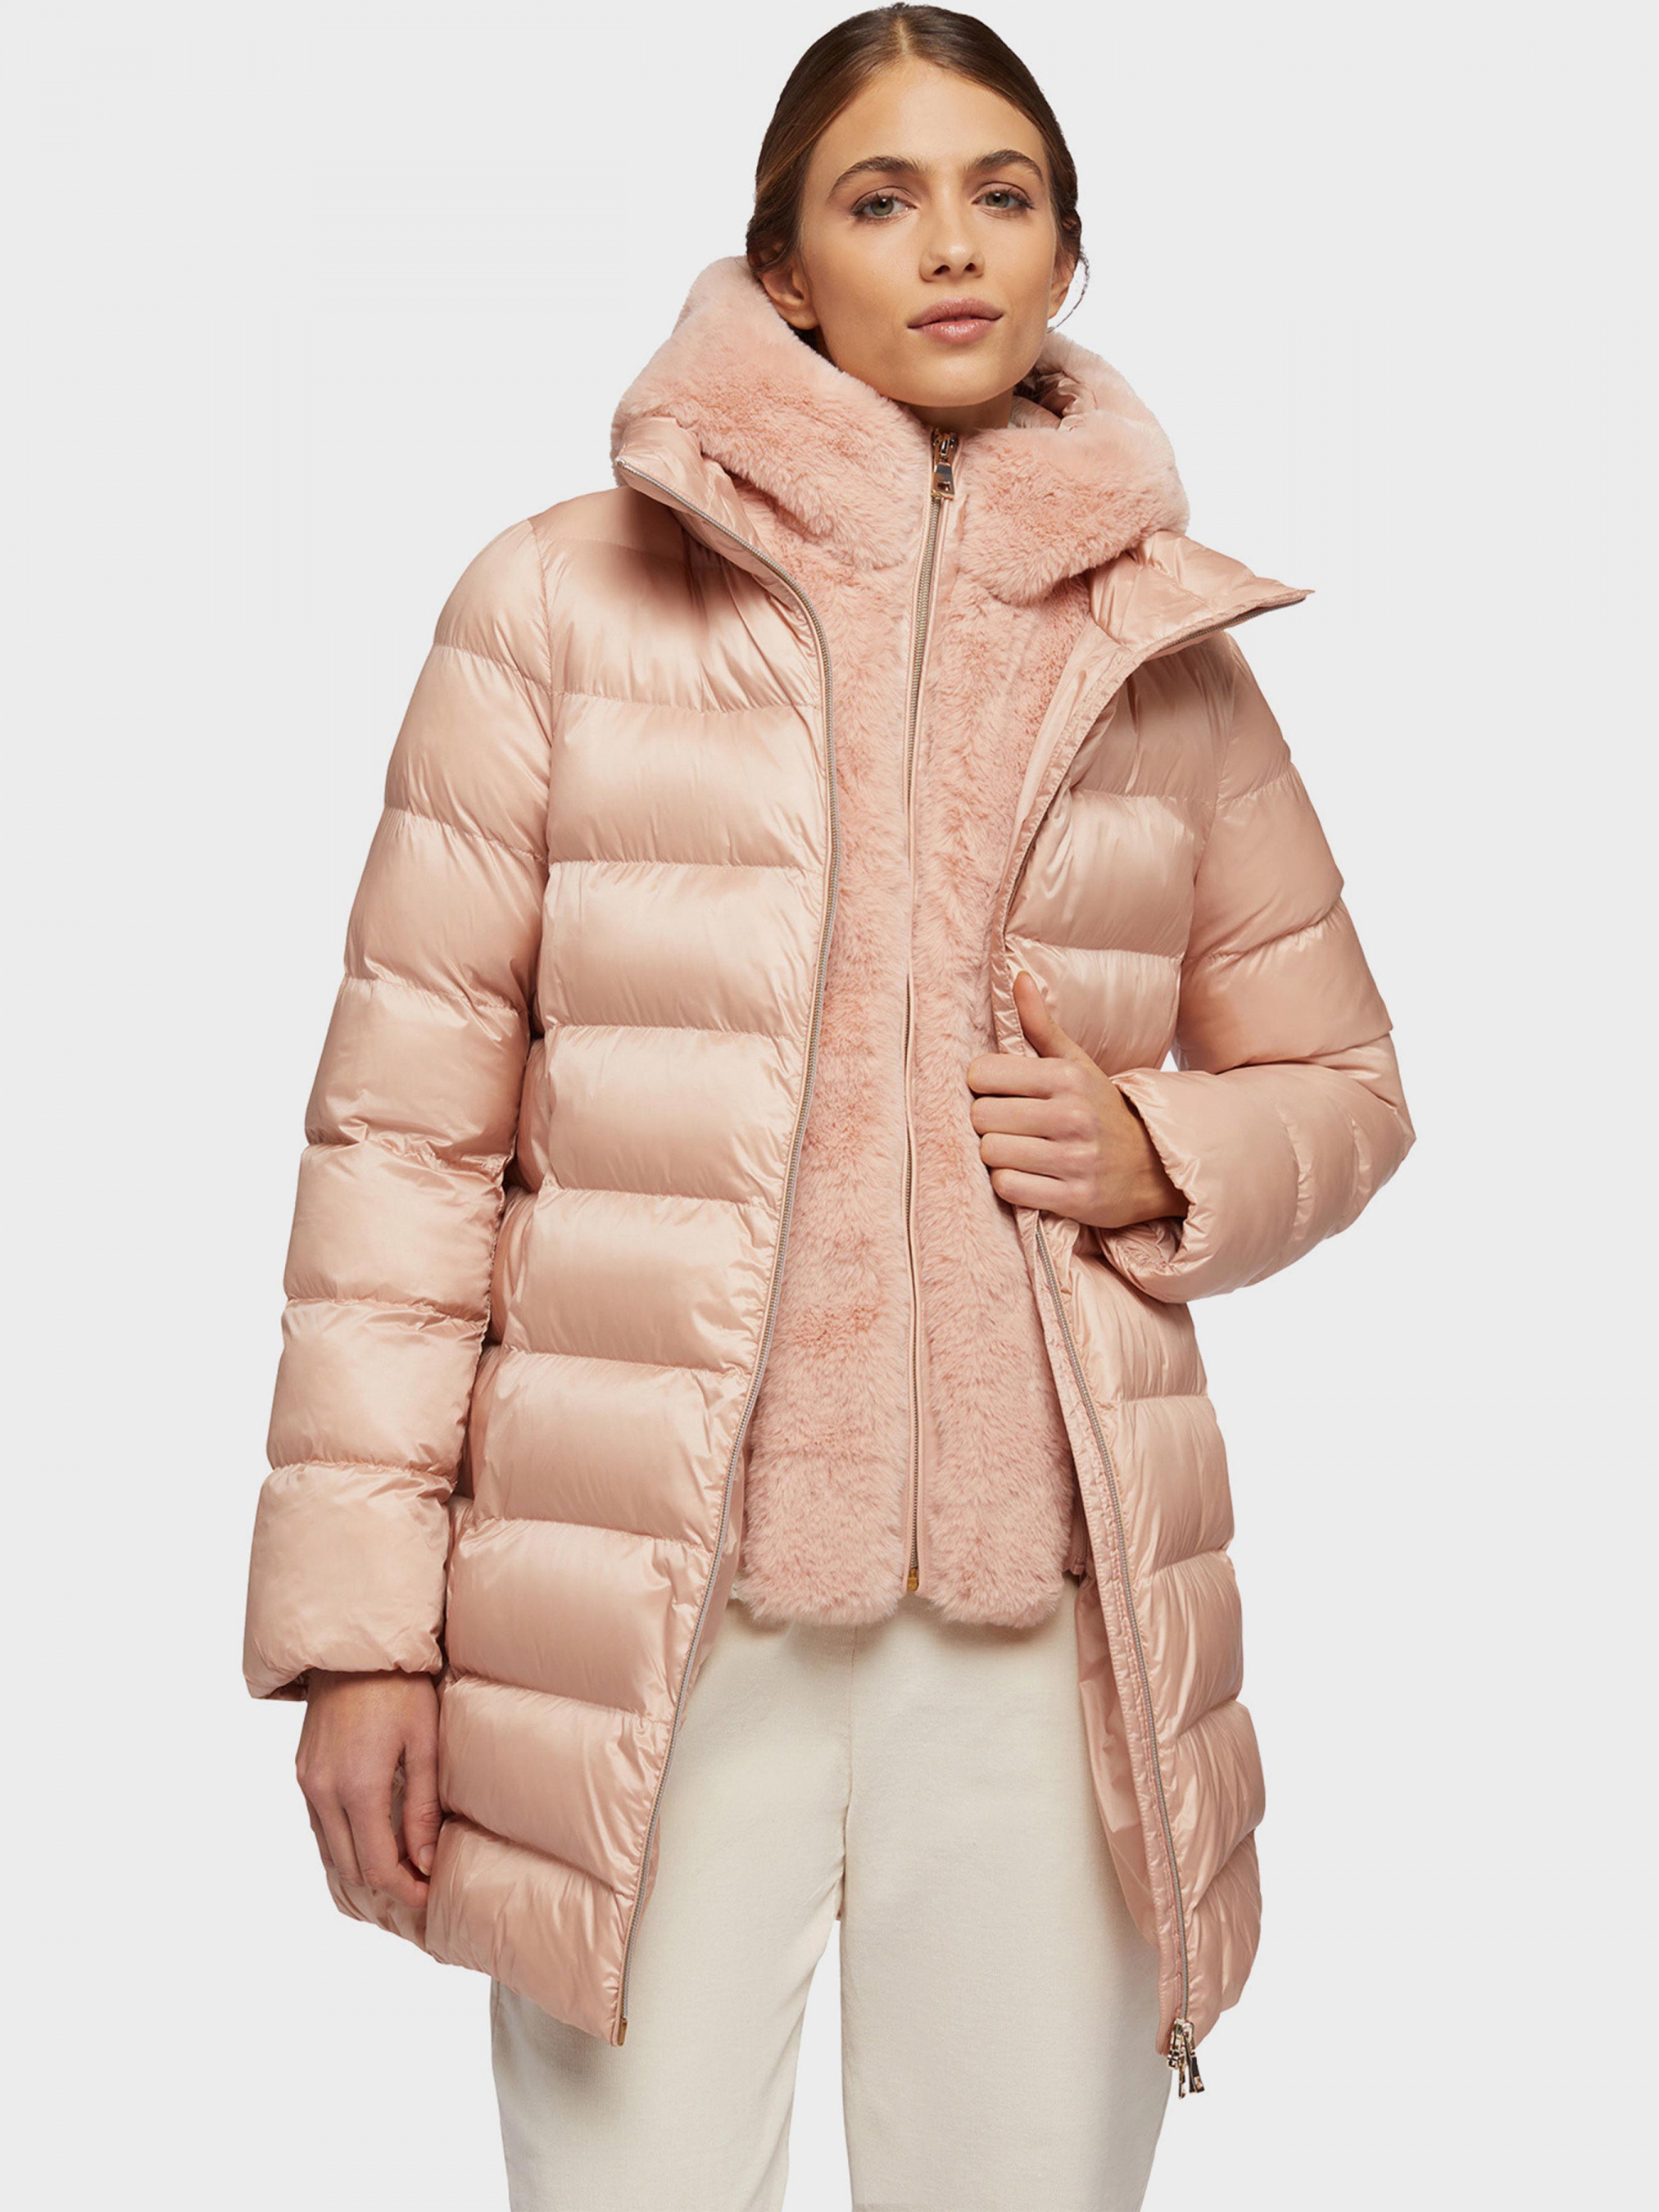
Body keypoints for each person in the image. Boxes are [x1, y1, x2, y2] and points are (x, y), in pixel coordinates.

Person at [243, 8, 1416, 2207]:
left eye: (1003, 194)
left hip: (1037, 1620)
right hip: (645, 1623)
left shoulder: (1162, 658)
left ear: (1067, 251)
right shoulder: (556, 604)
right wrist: (361, 1632)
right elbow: (403, 1145)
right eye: (883, 199)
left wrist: (1164, 1149)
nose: (951, 245)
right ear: (783, 266)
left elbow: (1341, 1085)